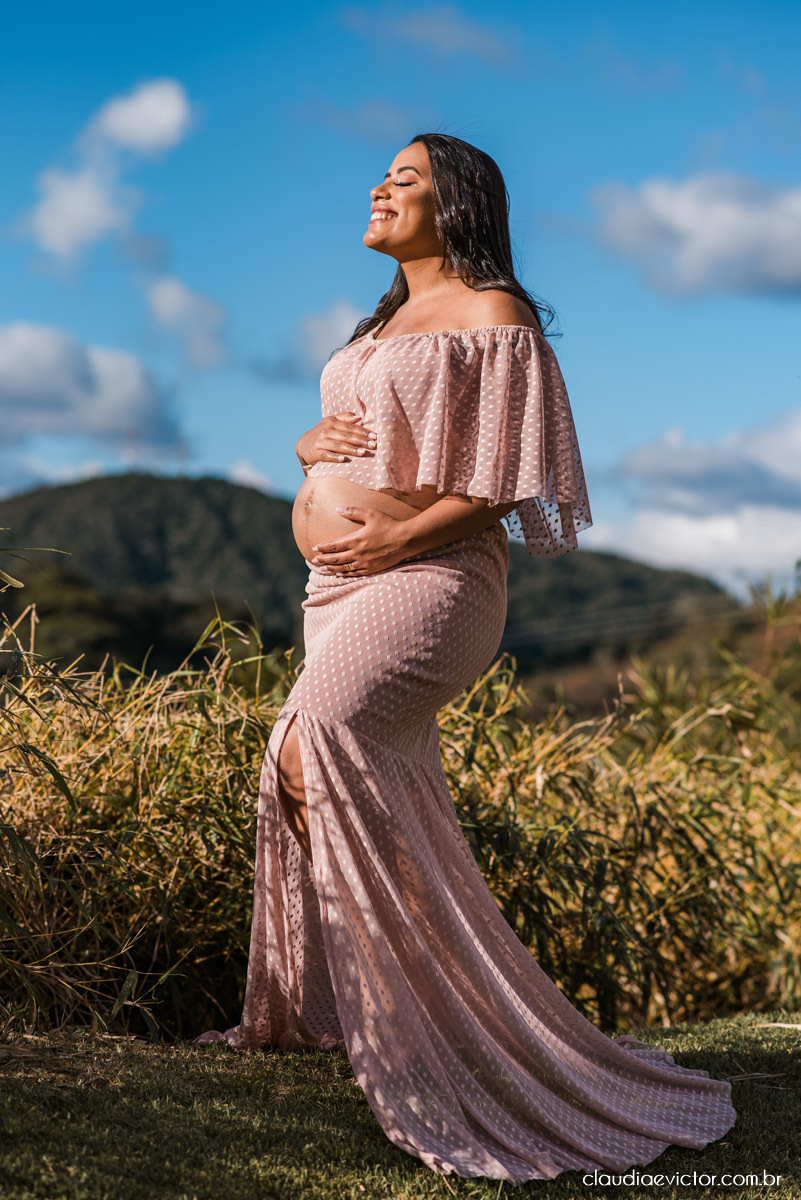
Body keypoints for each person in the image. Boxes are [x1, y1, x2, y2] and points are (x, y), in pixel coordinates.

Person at [194, 133, 736, 1184]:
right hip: (334, 589)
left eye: (403, 180)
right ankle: (376, 1010)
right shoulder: (382, 321)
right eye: (382, 176)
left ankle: (429, 1022)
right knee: (323, 775)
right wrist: (307, 449)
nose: (378, 189)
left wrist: (397, 536)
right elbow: (357, 437)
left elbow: (514, 475)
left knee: (316, 745)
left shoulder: (498, 316)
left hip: (434, 582)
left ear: (460, 205)